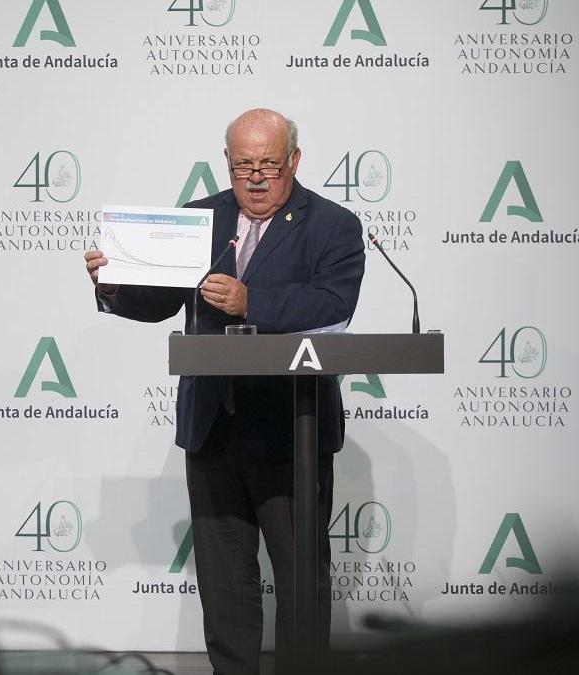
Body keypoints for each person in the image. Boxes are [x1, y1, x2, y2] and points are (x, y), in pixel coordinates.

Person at [85, 108, 364, 674]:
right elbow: (157, 300)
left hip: (293, 433)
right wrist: (114, 285)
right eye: (243, 166)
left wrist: (249, 303)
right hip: (214, 430)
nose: (256, 178)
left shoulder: (332, 225)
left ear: (294, 161)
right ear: (228, 164)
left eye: (268, 164)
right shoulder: (200, 219)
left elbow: (333, 305)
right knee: (224, 583)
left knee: (300, 579)